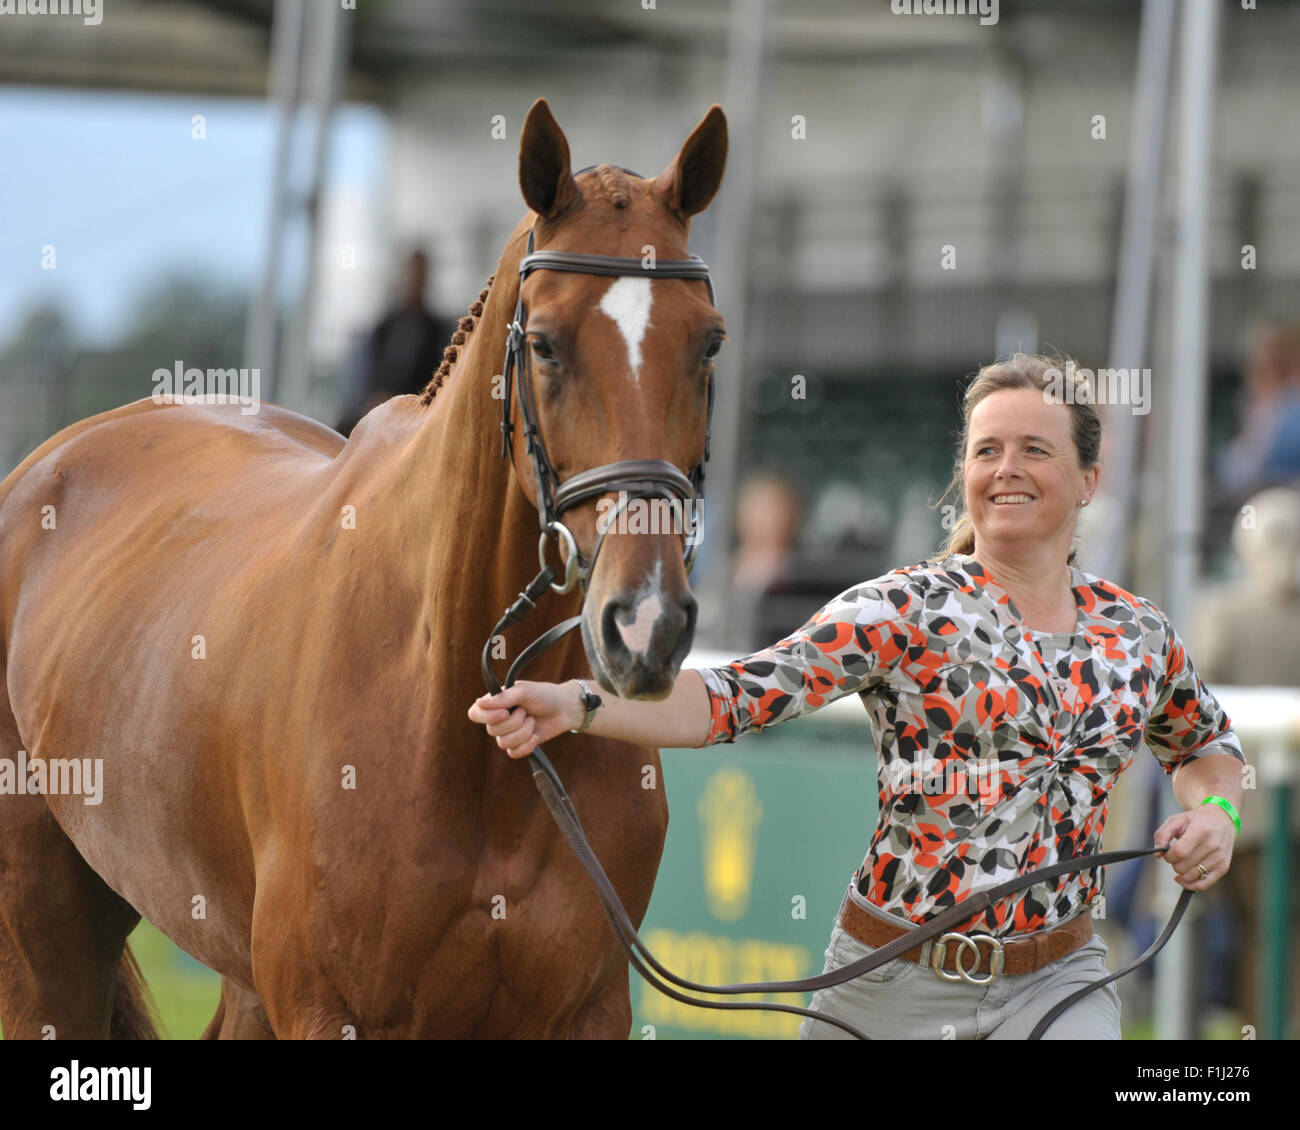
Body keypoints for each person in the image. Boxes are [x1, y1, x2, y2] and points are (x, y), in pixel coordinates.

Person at [467, 353, 1248, 1040]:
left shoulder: (1137, 634)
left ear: (1088, 481)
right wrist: (581, 702)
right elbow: (729, 699)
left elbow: (1209, 748)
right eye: (986, 450)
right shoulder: (900, 610)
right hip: (889, 983)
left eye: (1034, 450)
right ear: (964, 473)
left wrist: (1217, 814)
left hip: (1060, 981)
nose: (1005, 468)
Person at [336, 249, 454, 436]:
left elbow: (442, 384)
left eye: (420, 276)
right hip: (376, 408)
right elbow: (364, 377)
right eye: (412, 275)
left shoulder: (439, 332)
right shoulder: (383, 328)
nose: (415, 282)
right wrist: (373, 401)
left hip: (416, 415)